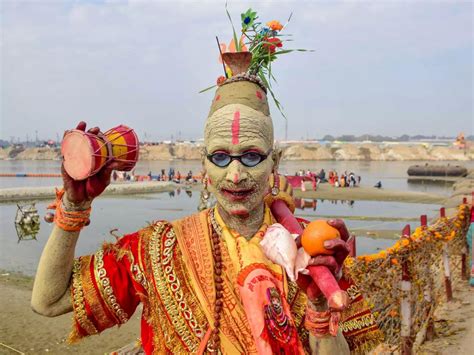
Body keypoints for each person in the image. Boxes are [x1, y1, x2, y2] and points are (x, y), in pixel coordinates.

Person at [31, 28, 381, 355]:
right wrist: (74, 209)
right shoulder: (158, 251)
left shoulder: (311, 250)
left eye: (252, 156)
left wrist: (320, 308)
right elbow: (48, 300)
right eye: (220, 157)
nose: (235, 173)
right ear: (204, 166)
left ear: (274, 163)